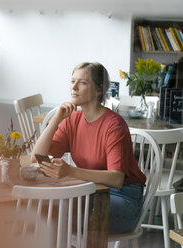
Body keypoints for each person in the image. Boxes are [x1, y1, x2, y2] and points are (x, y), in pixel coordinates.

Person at [31, 62, 146, 234]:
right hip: (92, 192)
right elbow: (36, 158)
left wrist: (70, 171)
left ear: (99, 90)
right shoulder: (73, 120)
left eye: (82, 83)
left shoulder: (114, 125)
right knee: (45, 207)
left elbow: (116, 179)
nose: (74, 87)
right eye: (72, 81)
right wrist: (56, 118)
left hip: (123, 197)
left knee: (60, 211)